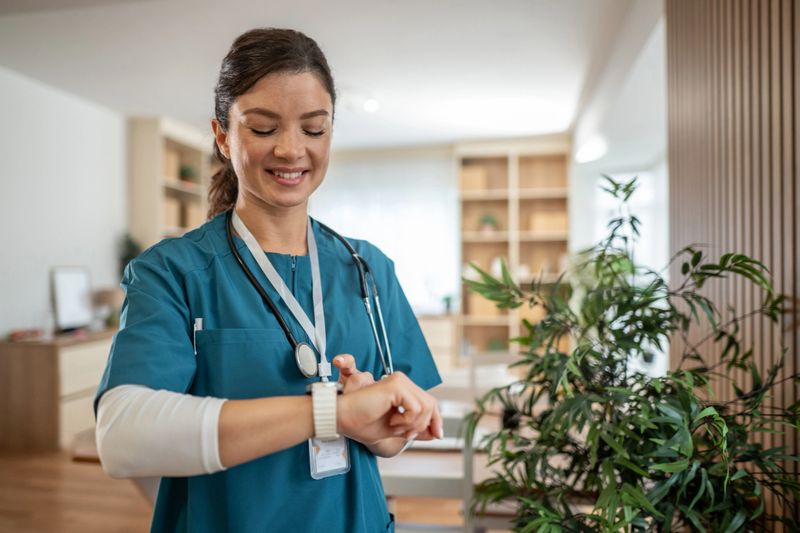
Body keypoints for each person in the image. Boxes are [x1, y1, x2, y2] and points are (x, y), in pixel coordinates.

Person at [94, 28, 443, 533]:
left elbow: (389, 442)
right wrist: (330, 413)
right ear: (222, 135)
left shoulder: (367, 268)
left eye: (313, 128)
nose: (290, 149)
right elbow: (122, 436)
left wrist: (385, 419)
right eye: (262, 128)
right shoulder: (172, 272)